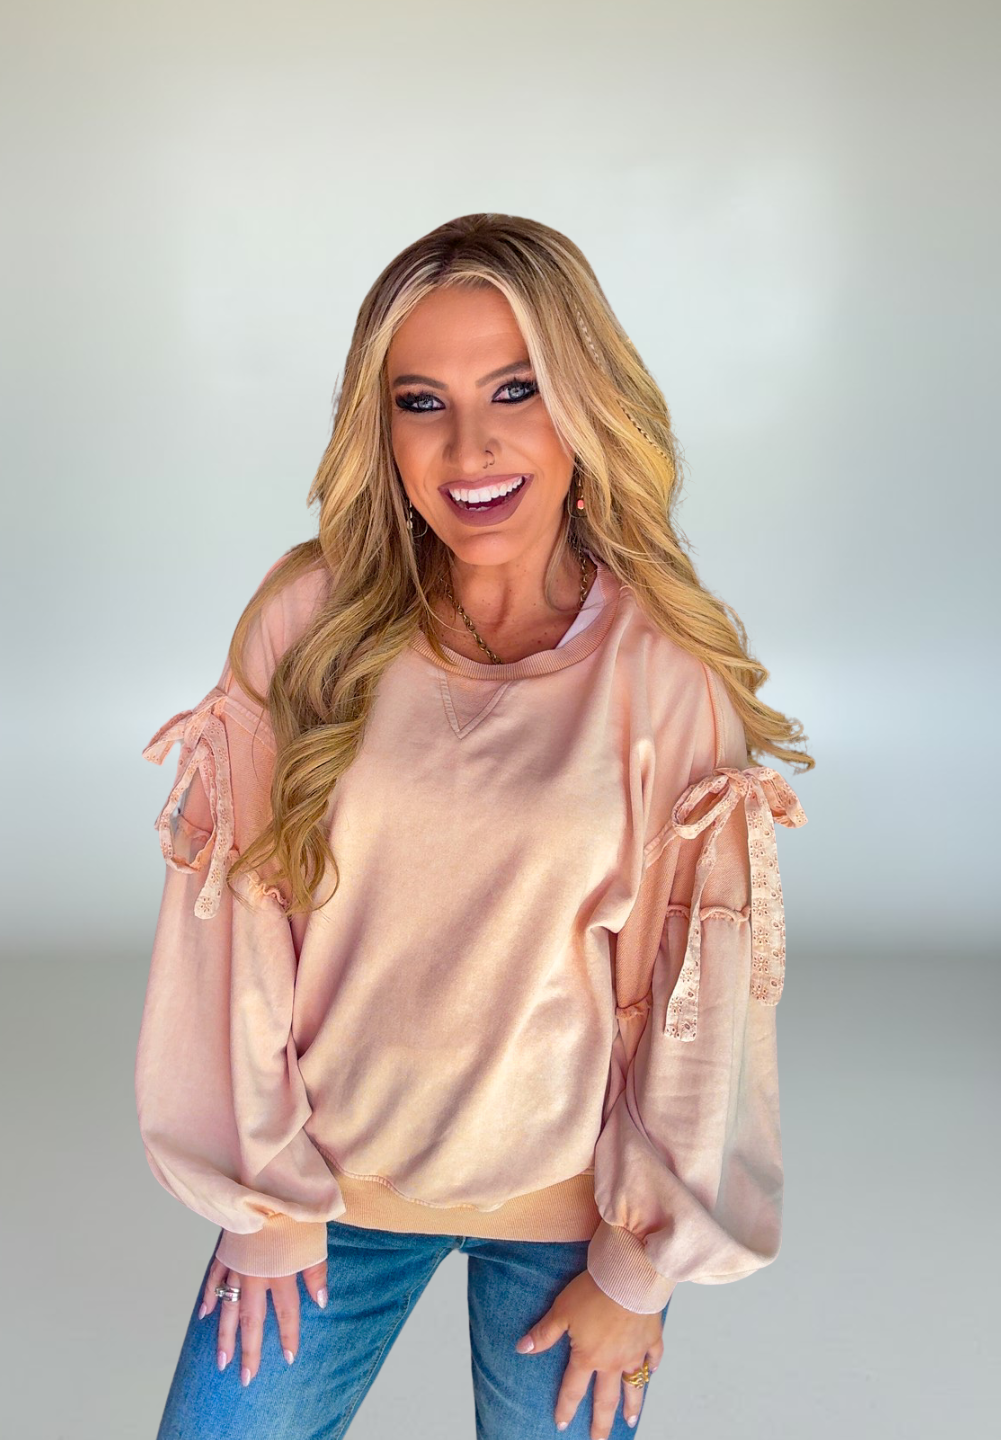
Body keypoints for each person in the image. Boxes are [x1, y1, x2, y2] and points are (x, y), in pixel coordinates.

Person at [135, 212, 812, 1439]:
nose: (471, 447)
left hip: (570, 1226)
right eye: (422, 402)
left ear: (584, 402)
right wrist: (263, 1204)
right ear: (380, 427)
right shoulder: (307, 624)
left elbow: (694, 998)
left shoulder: (664, 673)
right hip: (321, 1197)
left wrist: (639, 1271)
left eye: (516, 389)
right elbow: (234, 928)